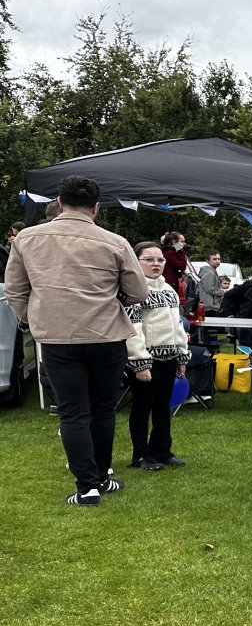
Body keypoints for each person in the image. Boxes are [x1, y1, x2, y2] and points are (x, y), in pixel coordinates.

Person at [4, 174, 148, 505]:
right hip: (107, 335)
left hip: (56, 337)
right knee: (102, 409)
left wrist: (31, 317)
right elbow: (138, 291)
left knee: (72, 411)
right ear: (96, 208)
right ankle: (99, 476)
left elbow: (15, 289)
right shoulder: (114, 241)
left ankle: (87, 486)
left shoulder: (26, 239)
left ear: (58, 202)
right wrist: (114, 300)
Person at [124, 241, 189, 470]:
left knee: (163, 406)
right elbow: (132, 328)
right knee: (142, 407)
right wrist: (140, 362)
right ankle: (140, 456)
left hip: (169, 357)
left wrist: (182, 355)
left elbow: (177, 326)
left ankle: (161, 451)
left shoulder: (169, 290)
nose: (156, 263)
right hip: (146, 360)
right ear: (136, 261)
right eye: (149, 259)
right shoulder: (133, 290)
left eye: (160, 259)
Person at [160, 231, 190, 296]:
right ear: (173, 242)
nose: (184, 244)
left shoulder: (169, 252)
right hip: (170, 282)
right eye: (181, 242)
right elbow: (182, 266)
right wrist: (181, 251)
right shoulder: (169, 253)